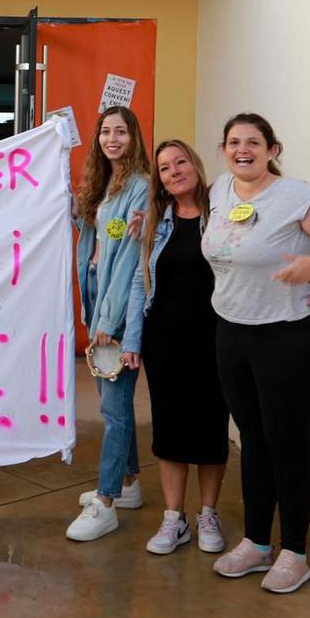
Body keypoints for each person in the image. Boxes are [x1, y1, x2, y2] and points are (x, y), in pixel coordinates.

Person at [202, 112, 310, 594]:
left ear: (272, 149)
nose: (243, 150)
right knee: (253, 438)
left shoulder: (295, 195)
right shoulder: (220, 191)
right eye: (234, 142)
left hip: (289, 335)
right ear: (224, 150)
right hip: (233, 330)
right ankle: (257, 543)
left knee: (287, 441)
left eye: (253, 142)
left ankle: (294, 552)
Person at [124, 138, 230, 556]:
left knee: (210, 426)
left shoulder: (221, 214)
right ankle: (174, 518)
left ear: (196, 165)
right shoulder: (153, 221)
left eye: (180, 162)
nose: (173, 172)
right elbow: (139, 282)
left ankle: (208, 513)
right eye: (164, 168)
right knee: (169, 428)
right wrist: (133, 338)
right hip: (164, 340)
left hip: (216, 337)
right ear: (161, 181)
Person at [65, 106, 153, 542]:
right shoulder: (100, 184)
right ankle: (130, 483)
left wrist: (109, 317)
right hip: (97, 295)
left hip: (116, 304)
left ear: (134, 137)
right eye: (105, 131)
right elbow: (90, 236)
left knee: (114, 411)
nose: (112, 139)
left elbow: (131, 263)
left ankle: (106, 501)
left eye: (121, 132)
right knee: (110, 401)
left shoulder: (140, 187)